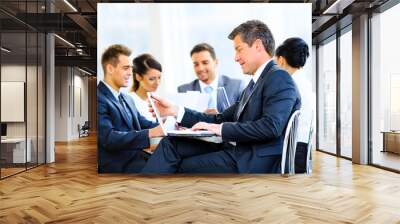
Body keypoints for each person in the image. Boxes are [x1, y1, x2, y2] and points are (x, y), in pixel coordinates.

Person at [141, 20, 301, 174]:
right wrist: (174, 111)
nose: (235, 57)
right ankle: (147, 192)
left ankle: (150, 195)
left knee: (180, 165)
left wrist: (220, 129)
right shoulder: (257, 82)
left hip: (252, 160)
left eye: (239, 49)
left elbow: (271, 126)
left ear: (258, 46)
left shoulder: (278, 77)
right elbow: (220, 118)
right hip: (239, 149)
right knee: (172, 144)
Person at [97, 44, 164, 173]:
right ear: (110, 68)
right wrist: (151, 133)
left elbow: (145, 123)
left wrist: (169, 124)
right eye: (126, 68)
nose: (130, 73)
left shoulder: (127, 99)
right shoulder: (99, 98)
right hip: (120, 166)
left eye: (131, 68)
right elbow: (109, 138)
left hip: (137, 158)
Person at [275, 37, 313, 173]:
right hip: (303, 148)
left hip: (290, 151)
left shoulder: (288, 84)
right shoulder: (306, 83)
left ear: (281, 60)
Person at [177, 43, 244, 113]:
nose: (200, 68)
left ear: (216, 62)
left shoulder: (237, 86)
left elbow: (242, 119)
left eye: (205, 63)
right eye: (196, 64)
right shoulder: (184, 90)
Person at [129, 54, 162, 122]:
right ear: (138, 77)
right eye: (152, 79)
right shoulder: (129, 101)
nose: (157, 83)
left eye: (159, 78)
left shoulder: (158, 99)